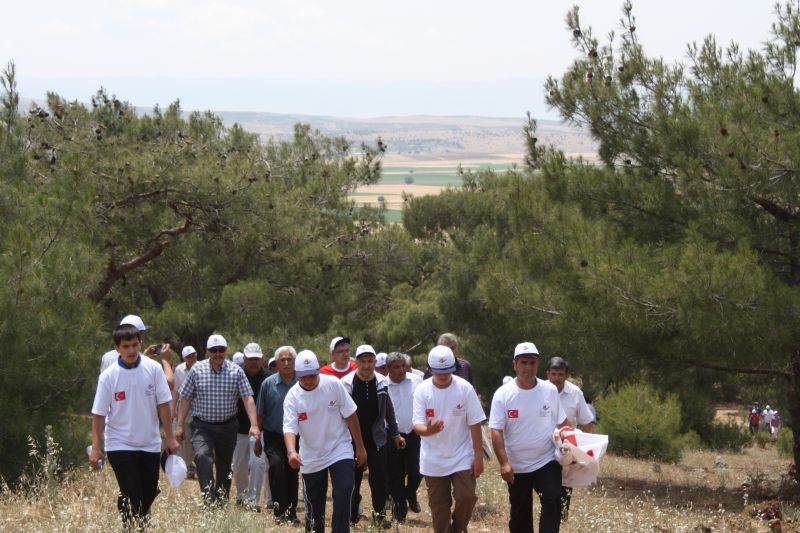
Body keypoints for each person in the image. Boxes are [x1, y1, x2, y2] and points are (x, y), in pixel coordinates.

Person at [90, 323, 179, 530]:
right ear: (117, 349)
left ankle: (128, 513)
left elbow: (164, 404)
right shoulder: (108, 377)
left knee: (148, 493)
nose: (130, 350)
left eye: (134, 345)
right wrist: (96, 447)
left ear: (140, 344)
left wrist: (170, 436)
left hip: (149, 443)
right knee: (135, 496)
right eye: (125, 346)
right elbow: (98, 414)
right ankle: (134, 527)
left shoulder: (154, 368)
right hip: (119, 444)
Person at [283, 350, 368, 533]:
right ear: (298, 375)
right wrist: (291, 452)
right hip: (311, 454)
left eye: (312, 375)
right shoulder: (292, 396)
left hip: (340, 447)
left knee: (345, 489)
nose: (308, 380)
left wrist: (360, 447)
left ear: (318, 371)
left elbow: (351, 415)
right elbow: (289, 428)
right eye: (303, 377)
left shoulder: (333, 385)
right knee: (314, 504)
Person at [489, 342, 567, 533]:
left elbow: (563, 423)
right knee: (520, 515)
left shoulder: (549, 390)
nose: (528, 367)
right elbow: (496, 430)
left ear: (538, 365)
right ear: (514, 364)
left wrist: (576, 447)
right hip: (517, 465)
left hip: (546, 460)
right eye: (523, 362)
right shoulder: (503, 394)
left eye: (532, 363)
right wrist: (504, 463)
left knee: (553, 498)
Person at [176, 334, 260, 505]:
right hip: (202, 425)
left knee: (224, 465)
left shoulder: (236, 371)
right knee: (202, 456)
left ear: (226, 351)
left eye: (221, 350)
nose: (217, 354)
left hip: (228, 426)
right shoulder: (197, 370)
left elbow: (247, 398)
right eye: (214, 350)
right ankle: (208, 498)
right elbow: (185, 398)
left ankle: (221, 501)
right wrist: (179, 425)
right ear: (208, 352)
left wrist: (254, 424)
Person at [413, 345, 485, 533]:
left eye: (447, 371)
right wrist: (429, 430)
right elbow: (417, 426)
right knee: (439, 507)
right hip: (433, 458)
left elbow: (475, 423)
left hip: (461, 454)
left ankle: (458, 529)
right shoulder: (422, 390)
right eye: (438, 372)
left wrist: (478, 457)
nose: (443, 376)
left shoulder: (464, 388)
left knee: (467, 496)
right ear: (430, 369)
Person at [341, 345, 402, 528]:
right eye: (363, 361)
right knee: (353, 480)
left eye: (370, 361)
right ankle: (351, 517)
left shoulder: (382, 382)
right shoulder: (346, 383)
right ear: (356, 362)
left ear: (375, 362)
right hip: (351, 439)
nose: (367, 366)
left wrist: (396, 434)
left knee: (379, 478)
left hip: (377, 438)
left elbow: (389, 410)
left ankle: (379, 517)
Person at [545, 356, 594, 522]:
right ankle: (550, 512)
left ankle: (562, 517)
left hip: (567, 446)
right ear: (548, 374)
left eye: (560, 374)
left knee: (565, 482)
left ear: (566, 375)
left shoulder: (575, 393)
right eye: (553, 374)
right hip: (544, 444)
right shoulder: (540, 390)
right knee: (546, 481)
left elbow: (587, 421)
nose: (556, 378)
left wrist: (589, 449)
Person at [256, 346, 300, 524]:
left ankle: (291, 511)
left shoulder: (302, 382)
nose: (286, 363)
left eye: (289, 359)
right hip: (273, 434)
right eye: (282, 360)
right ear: (276, 363)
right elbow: (260, 414)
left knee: (292, 471)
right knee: (276, 467)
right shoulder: (268, 384)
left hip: (296, 436)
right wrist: (257, 438)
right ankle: (279, 510)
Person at [232, 342, 271, 511]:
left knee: (257, 464)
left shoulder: (269, 378)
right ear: (244, 359)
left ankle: (253, 501)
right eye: (250, 359)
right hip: (239, 429)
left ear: (262, 359)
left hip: (260, 430)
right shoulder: (236, 375)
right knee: (239, 466)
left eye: (257, 359)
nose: (254, 362)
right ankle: (242, 495)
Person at [385, 351, 423, 522]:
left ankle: (410, 492)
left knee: (417, 470)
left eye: (403, 366)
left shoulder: (417, 380)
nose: (401, 370)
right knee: (396, 474)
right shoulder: (382, 385)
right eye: (396, 367)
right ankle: (400, 507)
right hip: (392, 435)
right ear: (388, 369)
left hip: (415, 433)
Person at [100, 315, 175, 389]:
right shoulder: (147, 363)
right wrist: (165, 360)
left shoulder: (107, 357)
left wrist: (144, 356)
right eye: (142, 333)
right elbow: (170, 384)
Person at [173, 345, 198, 479]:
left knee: (199, 439)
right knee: (186, 438)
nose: (192, 358)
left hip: (199, 408)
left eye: (193, 355)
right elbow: (177, 390)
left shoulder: (202, 367)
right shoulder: (179, 370)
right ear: (184, 358)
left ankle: (199, 463)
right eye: (189, 356)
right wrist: (174, 409)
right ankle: (188, 466)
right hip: (184, 409)